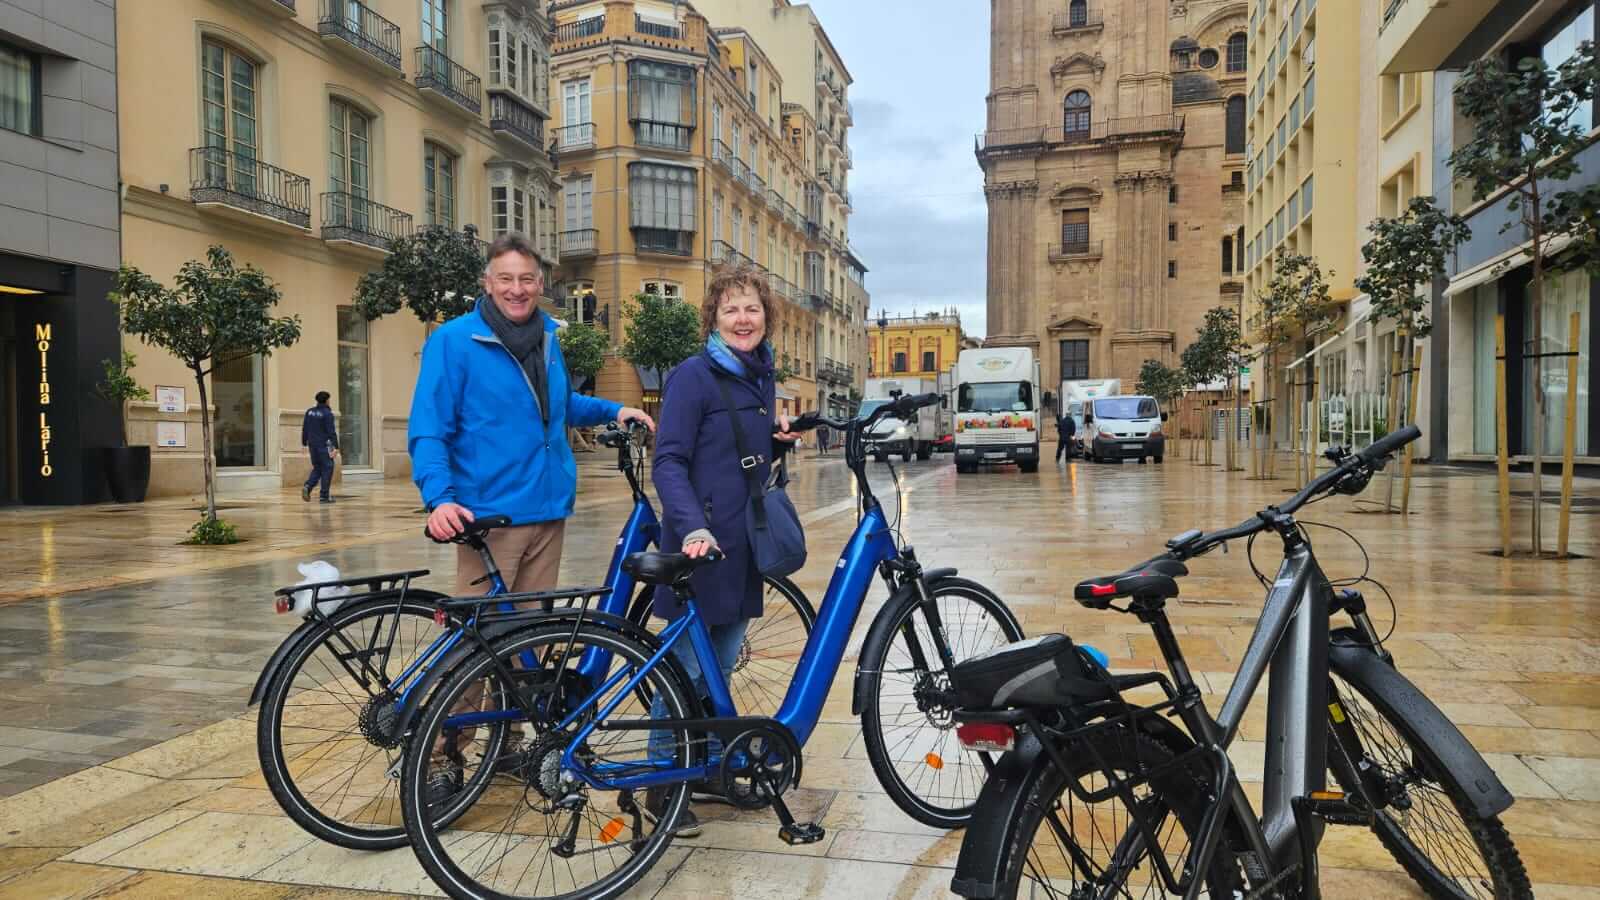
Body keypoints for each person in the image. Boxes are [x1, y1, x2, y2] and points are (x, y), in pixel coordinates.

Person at [407, 233, 654, 800]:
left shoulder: (546, 337)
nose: (517, 289)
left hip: (547, 510)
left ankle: (511, 741)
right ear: (487, 284)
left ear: (541, 286)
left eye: (527, 280)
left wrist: (614, 407)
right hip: (488, 516)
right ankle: (443, 753)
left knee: (529, 639)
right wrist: (440, 497)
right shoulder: (455, 341)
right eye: (506, 279)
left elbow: (560, 404)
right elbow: (429, 427)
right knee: (476, 641)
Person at [646, 265, 801, 836]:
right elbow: (669, 461)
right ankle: (661, 783)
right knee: (684, 671)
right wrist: (689, 526)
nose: (743, 319)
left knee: (719, 668)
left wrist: (778, 440)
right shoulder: (694, 375)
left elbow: (743, 458)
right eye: (731, 308)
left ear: (766, 318)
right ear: (713, 316)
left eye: (752, 308)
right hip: (701, 545)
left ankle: (706, 768)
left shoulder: (759, 376)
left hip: (742, 549)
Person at [301, 391, 338, 503]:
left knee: (317, 468)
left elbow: (305, 428)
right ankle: (324, 496)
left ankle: (308, 486)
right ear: (327, 400)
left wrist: (304, 442)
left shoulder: (309, 412)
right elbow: (331, 431)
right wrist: (336, 446)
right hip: (324, 445)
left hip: (313, 445)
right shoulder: (327, 414)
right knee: (328, 468)